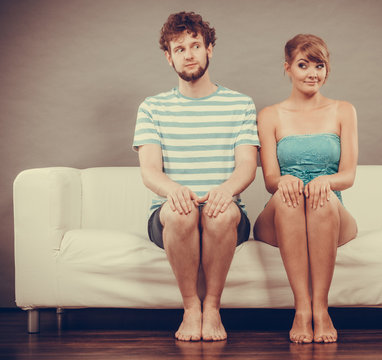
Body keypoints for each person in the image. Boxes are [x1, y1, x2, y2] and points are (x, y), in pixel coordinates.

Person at [133, 11, 259, 342]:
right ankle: (191, 308)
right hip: (169, 215)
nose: (188, 54)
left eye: (195, 45)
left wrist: (226, 190)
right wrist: (175, 190)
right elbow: (149, 170)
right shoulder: (152, 108)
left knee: (219, 215)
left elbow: (247, 165)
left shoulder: (241, 104)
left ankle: (213, 309)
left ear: (209, 49)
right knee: (180, 209)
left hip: (227, 211)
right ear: (168, 57)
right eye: (179, 48)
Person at [253, 34, 358, 344]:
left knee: (320, 199)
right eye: (303, 65)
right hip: (283, 208)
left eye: (319, 65)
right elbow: (271, 180)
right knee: (290, 199)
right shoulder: (270, 115)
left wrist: (325, 182)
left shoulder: (344, 111)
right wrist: (285, 181)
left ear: (327, 70)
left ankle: (321, 310)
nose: (312, 73)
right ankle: (301, 309)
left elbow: (348, 175)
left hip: (329, 206)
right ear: (288, 68)